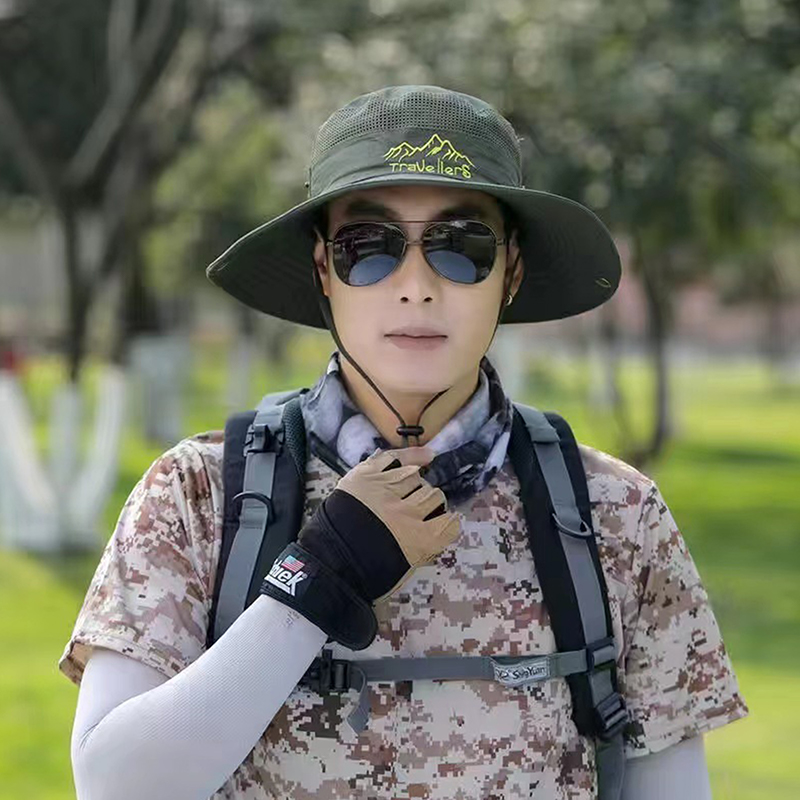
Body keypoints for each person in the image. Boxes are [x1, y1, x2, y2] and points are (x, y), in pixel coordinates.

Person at [59, 85, 748, 800]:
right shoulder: (201, 495)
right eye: (368, 247)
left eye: (462, 246)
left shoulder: (616, 515)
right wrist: (314, 583)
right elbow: (115, 788)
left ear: (510, 272)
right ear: (324, 270)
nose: (416, 286)